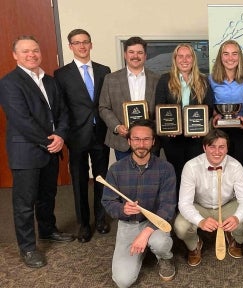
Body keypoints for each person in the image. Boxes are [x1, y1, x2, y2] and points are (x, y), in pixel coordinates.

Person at [0, 36, 74, 268]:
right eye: (25, 51)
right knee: (24, 203)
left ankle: (47, 230)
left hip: (51, 148)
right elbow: (21, 120)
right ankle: (28, 248)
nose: (31, 55)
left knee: (47, 196)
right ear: (15, 55)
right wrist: (48, 141)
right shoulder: (9, 82)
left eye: (35, 50)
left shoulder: (50, 81)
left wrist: (60, 136)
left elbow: (63, 112)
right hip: (27, 152)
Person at [101, 119, 176, 286]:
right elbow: (108, 201)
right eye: (136, 139)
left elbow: (168, 206)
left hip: (155, 222)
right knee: (123, 281)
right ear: (129, 141)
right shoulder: (116, 169)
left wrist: (145, 233)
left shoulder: (166, 168)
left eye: (146, 139)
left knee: (160, 242)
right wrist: (122, 209)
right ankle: (143, 250)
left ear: (153, 141)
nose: (141, 144)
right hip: (128, 225)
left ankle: (164, 257)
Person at [54, 29, 111, 243]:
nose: (82, 46)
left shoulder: (104, 70)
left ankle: (101, 218)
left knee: (101, 179)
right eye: (77, 43)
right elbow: (62, 108)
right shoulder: (61, 74)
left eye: (85, 42)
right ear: (70, 46)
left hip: (100, 133)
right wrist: (65, 134)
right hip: (76, 135)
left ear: (91, 44)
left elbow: (106, 101)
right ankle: (84, 224)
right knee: (78, 181)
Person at [174, 129, 243, 266]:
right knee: (180, 227)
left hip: (227, 205)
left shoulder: (236, 166)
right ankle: (194, 244)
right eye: (212, 147)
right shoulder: (191, 167)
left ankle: (234, 237)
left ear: (227, 148)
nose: (217, 152)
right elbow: (184, 203)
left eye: (221, 147)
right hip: (200, 205)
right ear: (204, 148)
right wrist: (200, 221)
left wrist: (237, 217)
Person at [155, 43, 214, 193]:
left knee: (195, 174)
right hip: (172, 138)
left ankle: (194, 207)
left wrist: (201, 128)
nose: (184, 60)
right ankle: (178, 208)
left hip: (196, 137)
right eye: (180, 56)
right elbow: (159, 107)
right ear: (175, 59)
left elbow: (209, 108)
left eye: (188, 56)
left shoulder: (203, 81)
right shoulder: (165, 80)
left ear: (193, 59)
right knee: (177, 173)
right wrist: (166, 127)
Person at [209, 40, 243, 205]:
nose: (230, 58)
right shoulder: (212, 78)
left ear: (240, 56)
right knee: (222, 169)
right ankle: (222, 208)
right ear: (220, 57)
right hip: (220, 131)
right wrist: (215, 114)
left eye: (234, 53)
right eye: (226, 53)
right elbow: (209, 102)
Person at [99, 36, 160, 160]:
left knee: (151, 177)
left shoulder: (157, 79)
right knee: (125, 178)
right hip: (123, 141)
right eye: (131, 52)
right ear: (125, 55)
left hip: (149, 141)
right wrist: (117, 127)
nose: (135, 56)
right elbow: (104, 107)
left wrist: (152, 128)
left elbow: (161, 109)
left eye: (140, 52)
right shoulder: (111, 79)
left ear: (145, 56)